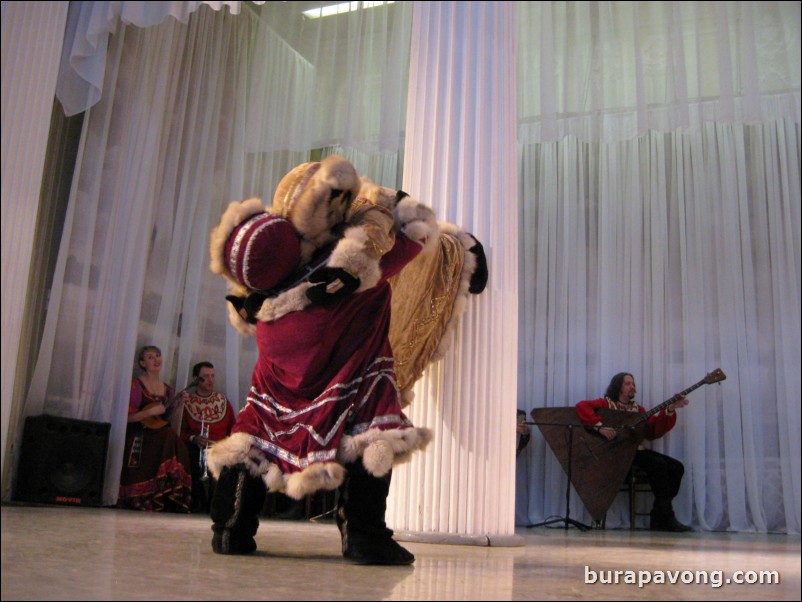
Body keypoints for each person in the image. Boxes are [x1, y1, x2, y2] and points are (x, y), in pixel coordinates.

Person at [206, 157, 487, 563]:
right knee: (370, 433)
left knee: (255, 435)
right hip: (348, 374)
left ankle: (229, 529)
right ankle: (365, 537)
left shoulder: (261, 297)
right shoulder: (346, 278)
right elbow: (415, 240)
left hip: (281, 377)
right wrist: (390, 202)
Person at [575, 372, 692, 532]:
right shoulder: (606, 404)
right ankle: (664, 517)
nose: (632, 386)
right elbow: (582, 406)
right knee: (658, 465)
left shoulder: (638, 409)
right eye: (627, 383)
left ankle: (660, 514)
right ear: (618, 386)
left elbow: (652, 431)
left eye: (633, 384)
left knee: (677, 467)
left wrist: (669, 409)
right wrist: (599, 426)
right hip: (615, 456)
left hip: (636, 453)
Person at [118, 345, 192, 512]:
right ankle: (148, 494)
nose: (156, 360)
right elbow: (126, 418)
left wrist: (179, 405)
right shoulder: (136, 386)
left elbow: (167, 420)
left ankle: (168, 495)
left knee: (172, 437)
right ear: (142, 363)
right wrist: (149, 412)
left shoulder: (168, 389)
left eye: (158, 356)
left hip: (161, 433)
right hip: (139, 433)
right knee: (168, 436)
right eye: (150, 357)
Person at [178, 361, 236, 513]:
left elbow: (233, 430)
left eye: (212, 376)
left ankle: (219, 506)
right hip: (197, 449)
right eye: (205, 377)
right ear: (195, 379)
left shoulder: (222, 401)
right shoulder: (187, 403)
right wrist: (194, 439)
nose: (210, 380)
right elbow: (179, 432)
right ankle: (198, 503)